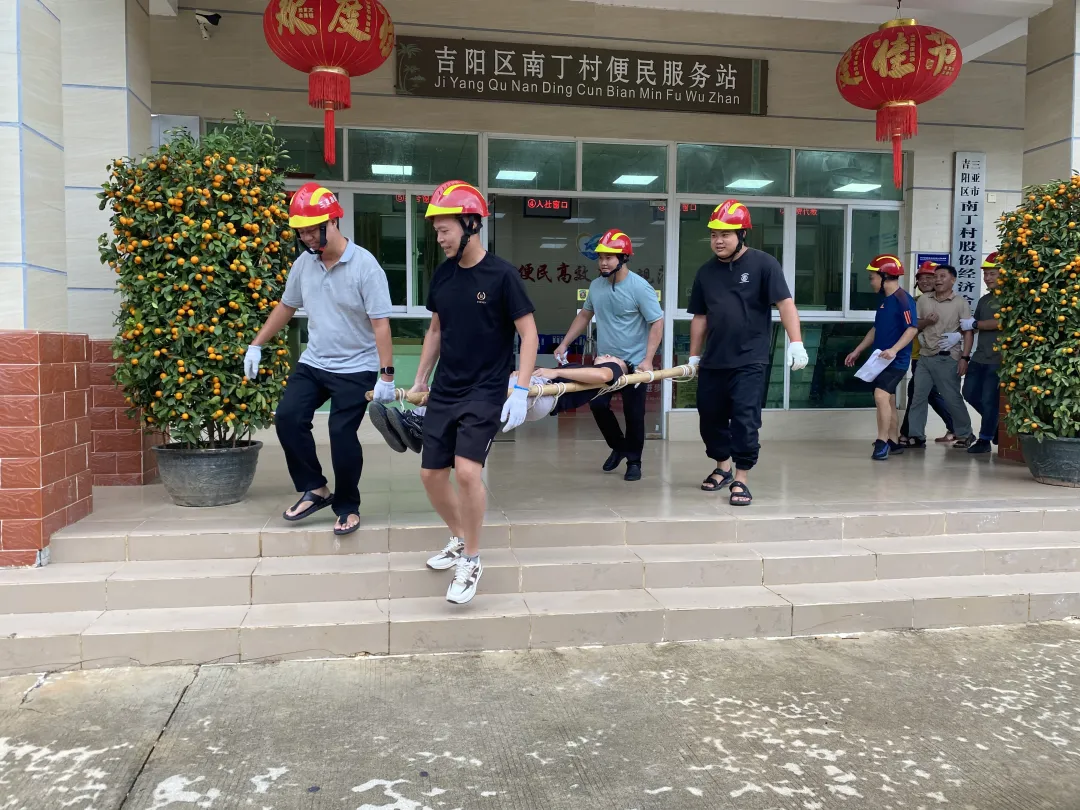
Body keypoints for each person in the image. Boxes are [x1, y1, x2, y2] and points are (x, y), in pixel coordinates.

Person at [409, 180, 538, 605]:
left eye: (445, 229)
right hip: (446, 388)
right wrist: (421, 378)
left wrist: (520, 389)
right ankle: (460, 536)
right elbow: (435, 330)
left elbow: (529, 334)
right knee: (431, 475)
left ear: (471, 225)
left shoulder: (502, 276)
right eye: (437, 231)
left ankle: (472, 558)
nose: (440, 238)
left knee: (466, 472)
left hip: (485, 390)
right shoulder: (443, 275)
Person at [246, 182, 395, 536]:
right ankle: (315, 488)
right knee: (288, 418)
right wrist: (256, 344)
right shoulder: (304, 263)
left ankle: (347, 506)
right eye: (301, 232)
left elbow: (381, 323)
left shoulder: (365, 266)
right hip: (315, 363)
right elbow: (287, 306)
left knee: (341, 433)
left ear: (333, 222)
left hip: (356, 367)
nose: (307, 237)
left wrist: (386, 376)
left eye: (312, 229)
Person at [687, 200, 808, 506]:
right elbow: (700, 317)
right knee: (709, 417)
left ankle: (741, 477)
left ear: (742, 234)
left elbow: (785, 304)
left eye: (725, 234)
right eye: (714, 234)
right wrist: (694, 357)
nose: (718, 240)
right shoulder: (706, 272)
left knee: (744, 419)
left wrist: (796, 342)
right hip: (714, 360)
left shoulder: (764, 264)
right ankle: (722, 467)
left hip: (750, 359)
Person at [551, 228, 663, 482]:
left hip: (634, 364)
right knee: (598, 404)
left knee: (634, 414)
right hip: (606, 363)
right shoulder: (596, 285)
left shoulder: (639, 287)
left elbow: (657, 322)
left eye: (609, 257)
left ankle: (634, 461)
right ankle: (620, 447)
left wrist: (648, 360)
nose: (603, 262)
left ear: (623, 258)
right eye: (601, 257)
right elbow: (585, 315)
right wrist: (565, 343)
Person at [844, 255, 919, 460]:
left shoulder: (904, 299)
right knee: (889, 399)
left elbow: (912, 329)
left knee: (880, 396)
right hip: (880, 360)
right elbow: (876, 329)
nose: (871, 282)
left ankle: (881, 441)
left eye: (872, 277)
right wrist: (858, 350)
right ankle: (893, 441)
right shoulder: (884, 300)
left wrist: (894, 350)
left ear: (885, 276)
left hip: (896, 361)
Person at [905, 264, 975, 449]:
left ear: (953, 280)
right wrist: (926, 322)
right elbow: (914, 324)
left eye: (942, 276)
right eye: (935, 276)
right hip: (924, 357)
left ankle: (965, 434)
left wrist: (965, 358)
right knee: (918, 397)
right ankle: (916, 435)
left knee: (952, 398)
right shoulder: (923, 300)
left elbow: (968, 331)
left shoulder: (960, 302)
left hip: (948, 358)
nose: (937, 280)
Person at [899, 261, 956, 447]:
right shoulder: (915, 301)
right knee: (928, 394)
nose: (924, 281)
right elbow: (908, 324)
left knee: (917, 392)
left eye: (929, 277)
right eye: (921, 278)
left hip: (936, 356)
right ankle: (957, 427)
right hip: (918, 355)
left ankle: (909, 434)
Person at [963, 253, 1003, 455]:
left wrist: (975, 324)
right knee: (969, 393)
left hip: (998, 359)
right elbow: (974, 326)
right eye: (986, 274)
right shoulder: (984, 300)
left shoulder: (1011, 299)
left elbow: (1002, 322)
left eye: (992, 274)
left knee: (989, 400)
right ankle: (995, 426)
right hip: (979, 357)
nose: (987, 278)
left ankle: (985, 439)